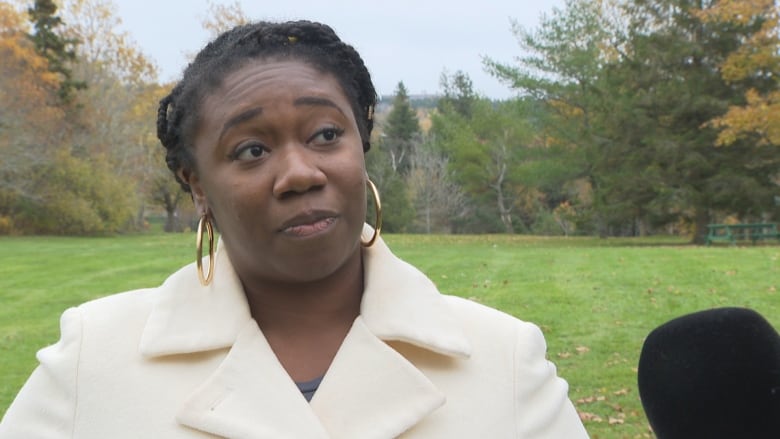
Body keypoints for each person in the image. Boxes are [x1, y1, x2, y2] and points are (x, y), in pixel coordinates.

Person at [0, 20, 588, 438]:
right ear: (197, 184)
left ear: (364, 146)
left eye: (327, 134)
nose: (300, 173)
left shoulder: (503, 359)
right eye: (252, 149)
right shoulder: (91, 363)